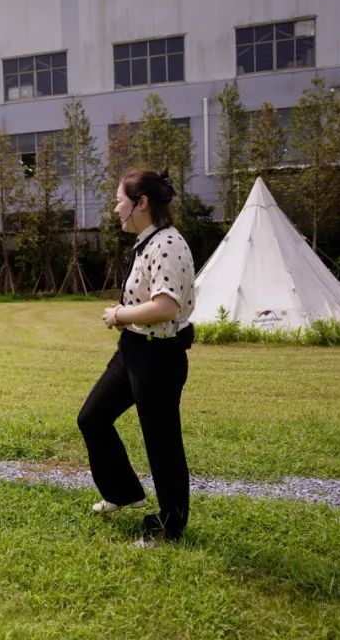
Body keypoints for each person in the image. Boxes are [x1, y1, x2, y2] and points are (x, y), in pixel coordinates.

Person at [77, 168, 196, 548]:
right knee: (92, 417)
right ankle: (123, 492)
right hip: (133, 349)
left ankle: (169, 527)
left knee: (162, 444)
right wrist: (126, 320)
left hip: (158, 356)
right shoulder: (148, 242)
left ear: (141, 203)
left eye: (119, 201)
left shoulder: (167, 244)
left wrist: (119, 315)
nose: (115, 209)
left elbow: (165, 307)